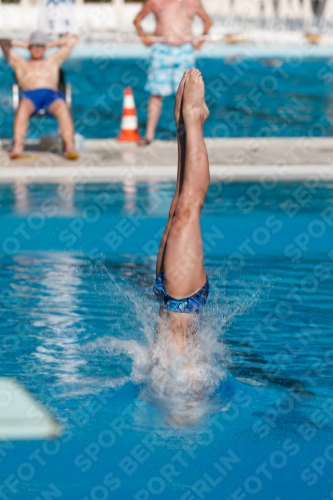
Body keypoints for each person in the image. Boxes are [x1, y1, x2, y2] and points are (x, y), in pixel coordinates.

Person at [153, 68, 210, 350]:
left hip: (167, 298)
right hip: (183, 303)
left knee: (177, 206)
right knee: (189, 207)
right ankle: (194, 120)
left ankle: (183, 127)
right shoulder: (192, 391)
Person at [133, 0, 212, 146]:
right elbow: (137, 20)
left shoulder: (192, 2)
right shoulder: (155, 2)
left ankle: (190, 136)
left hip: (185, 50)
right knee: (156, 94)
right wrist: (145, 38)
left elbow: (207, 22)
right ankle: (149, 136)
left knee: (188, 94)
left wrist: (199, 43)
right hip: (161, 49)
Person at [0, 32, 79, 160]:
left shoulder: (52, 61)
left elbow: (72, 41)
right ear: (29, 47)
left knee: (63, 108)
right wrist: (22, 44)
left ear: (45, 47)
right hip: (30, 96)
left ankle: (69, 147)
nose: (37, 48)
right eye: (34, 45)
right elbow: (3, 41)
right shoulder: (20, 63)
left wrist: (50, 44)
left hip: (51, 96)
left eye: (40, 45)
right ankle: (18, 147)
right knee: (22, 109)